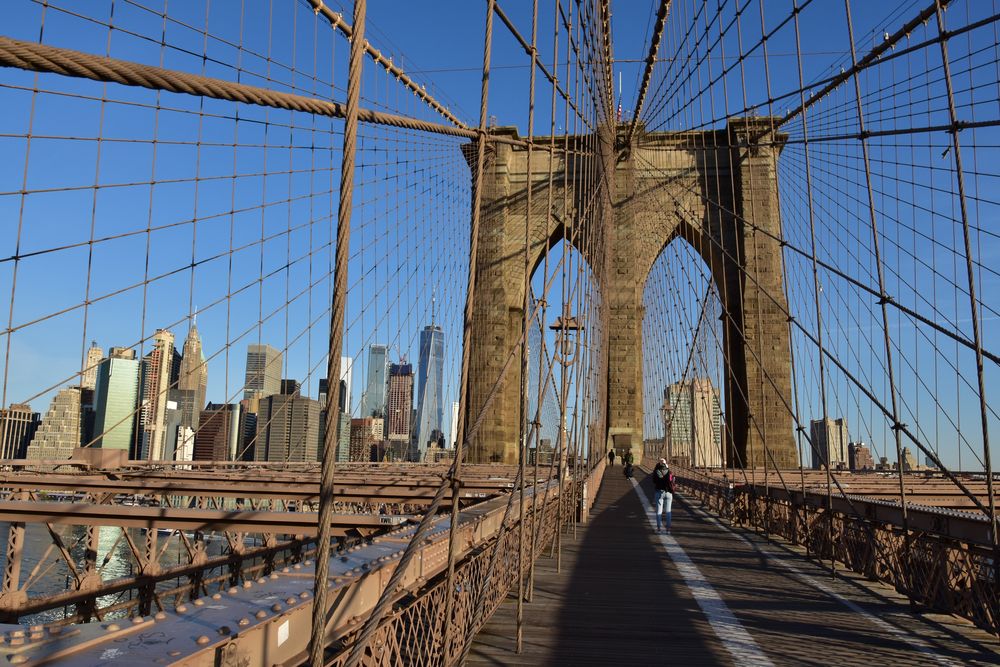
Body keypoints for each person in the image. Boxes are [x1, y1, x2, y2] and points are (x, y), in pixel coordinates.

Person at [652, 458, 674, 533]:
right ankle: (668, 529)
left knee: (659, 511)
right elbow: (672, 482)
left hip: (659, 492)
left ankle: (658, 529)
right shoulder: (669, 471)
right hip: (668, 493)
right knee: (668, 511)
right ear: (665, 464)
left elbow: (654, 481)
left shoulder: (656, 471)